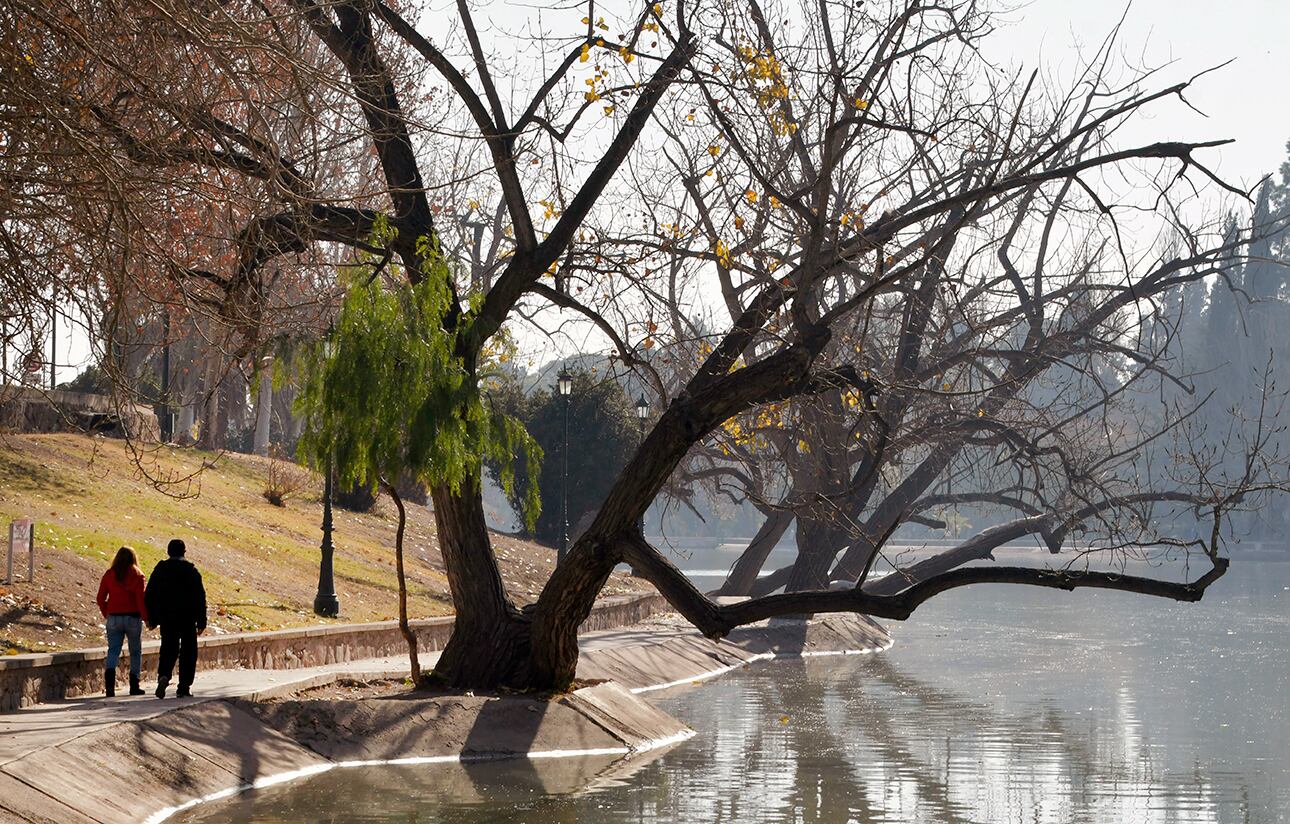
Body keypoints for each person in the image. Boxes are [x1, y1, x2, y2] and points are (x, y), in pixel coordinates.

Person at [144, 539, 206, 698]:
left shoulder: (161, 570)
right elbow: (200, 597)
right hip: (187, 618)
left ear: (168, 551)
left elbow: (150, 594)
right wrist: (201, 621)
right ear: (184, 552)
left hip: (167, 617)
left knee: (168, 648)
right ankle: (184, 686)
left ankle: (164, 675)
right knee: (188, 651)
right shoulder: (191, 571)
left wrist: (151, 617)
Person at [96, 546, 149, 697]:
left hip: (114, 617)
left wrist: (107, 613)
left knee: (113, 650)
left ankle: (110, 687)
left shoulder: (109, 574)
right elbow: (140, 601)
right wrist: (146, 618)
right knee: (135, 651)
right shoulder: (138, 575)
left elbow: (100, 598)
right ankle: (134, 685)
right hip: (133, 617)